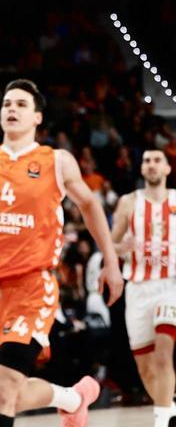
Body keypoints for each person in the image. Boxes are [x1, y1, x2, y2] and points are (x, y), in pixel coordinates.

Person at [0, 78, 124, 427]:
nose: (12, 109)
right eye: (7, 104)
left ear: (37, 117)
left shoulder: (57, 161)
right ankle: (72, 398)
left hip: (32, 286)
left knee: (1, 386)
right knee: (8, 392)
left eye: (21, 104)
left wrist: (111, 262)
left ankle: (71, 398)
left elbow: (91, 206)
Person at [111, 148, 175, 427]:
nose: (151, 165)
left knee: (163, 355)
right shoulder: (128, 203)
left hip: (170, 285)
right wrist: (118, 248)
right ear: (141, 169)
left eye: (157, 160)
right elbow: (109, 243)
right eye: (146, 160)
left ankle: (161, 421)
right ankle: (169, 409)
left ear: (167, 169)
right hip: (137, 288)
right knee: (146, 370)